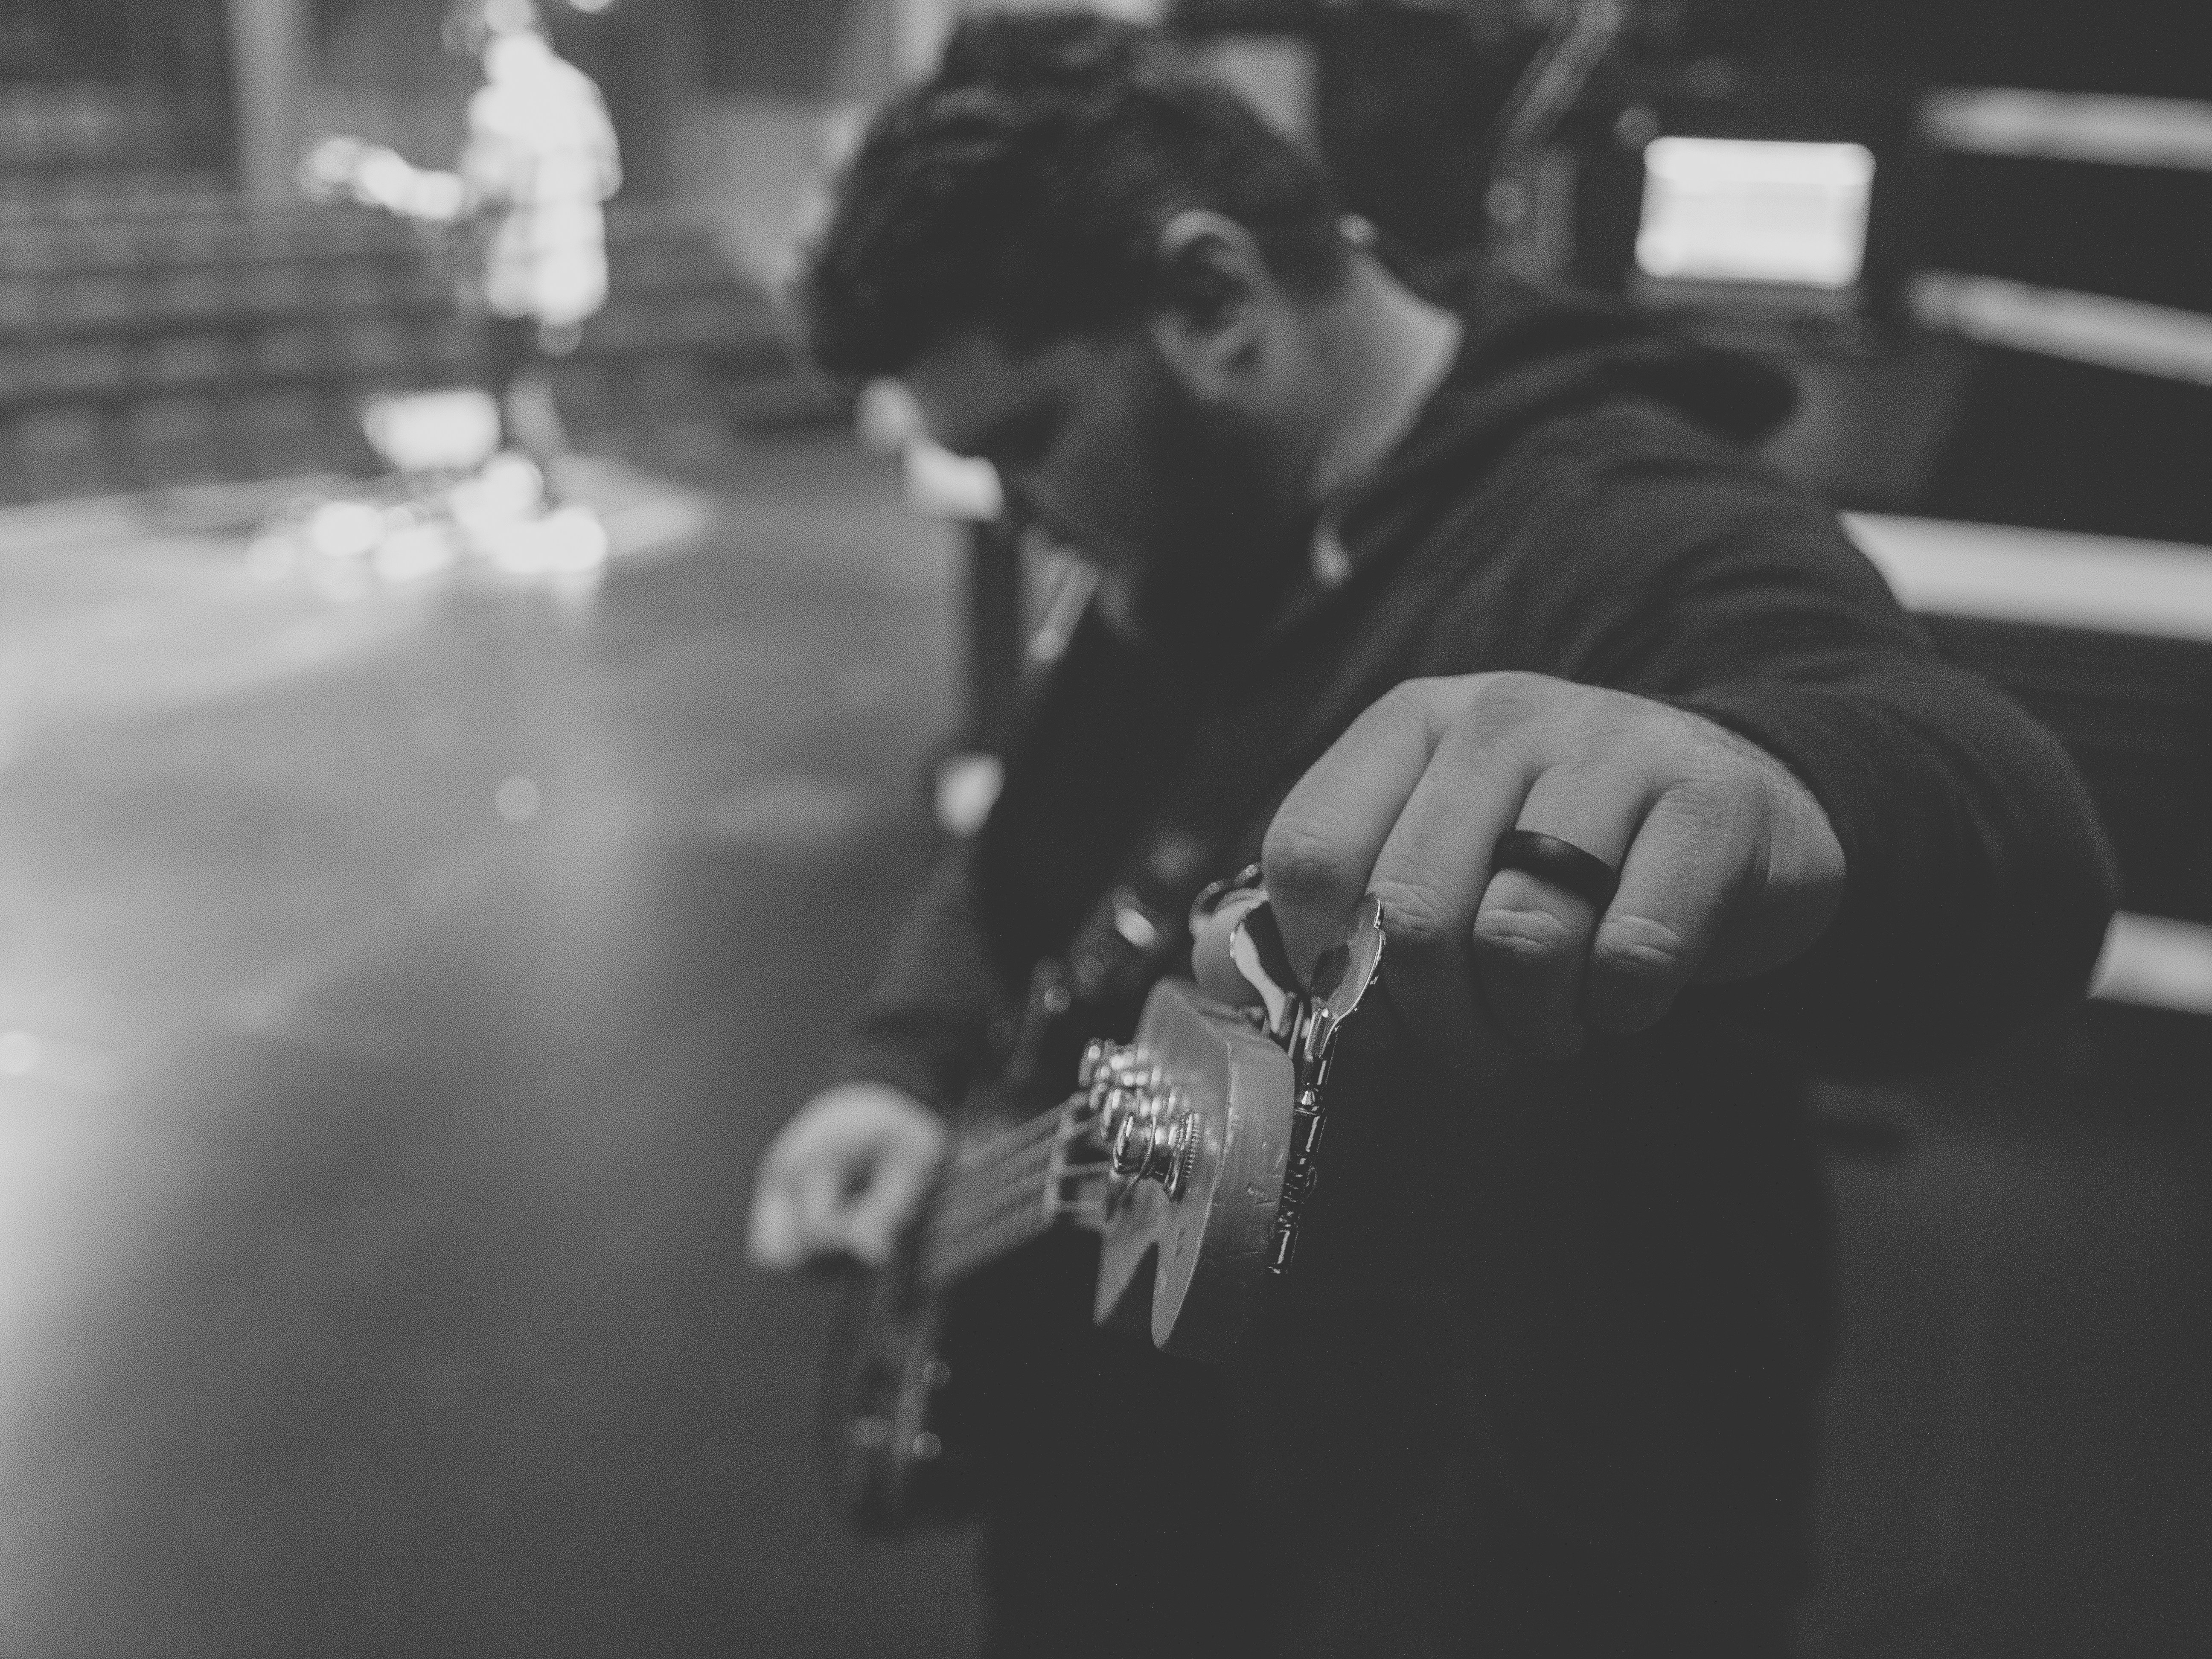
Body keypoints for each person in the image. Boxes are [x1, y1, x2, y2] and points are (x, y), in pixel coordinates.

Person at [748, 16, 2116, 1656]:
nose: (1023, 507)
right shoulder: (1186, 531)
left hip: (1475, 1568)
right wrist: (897, 1069)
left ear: (1211, 302)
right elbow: (1031, 866)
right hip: (1140, 1502)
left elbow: (1989, 820)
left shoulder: (1625, 527)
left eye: (1027, 439)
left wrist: (1767, 793)